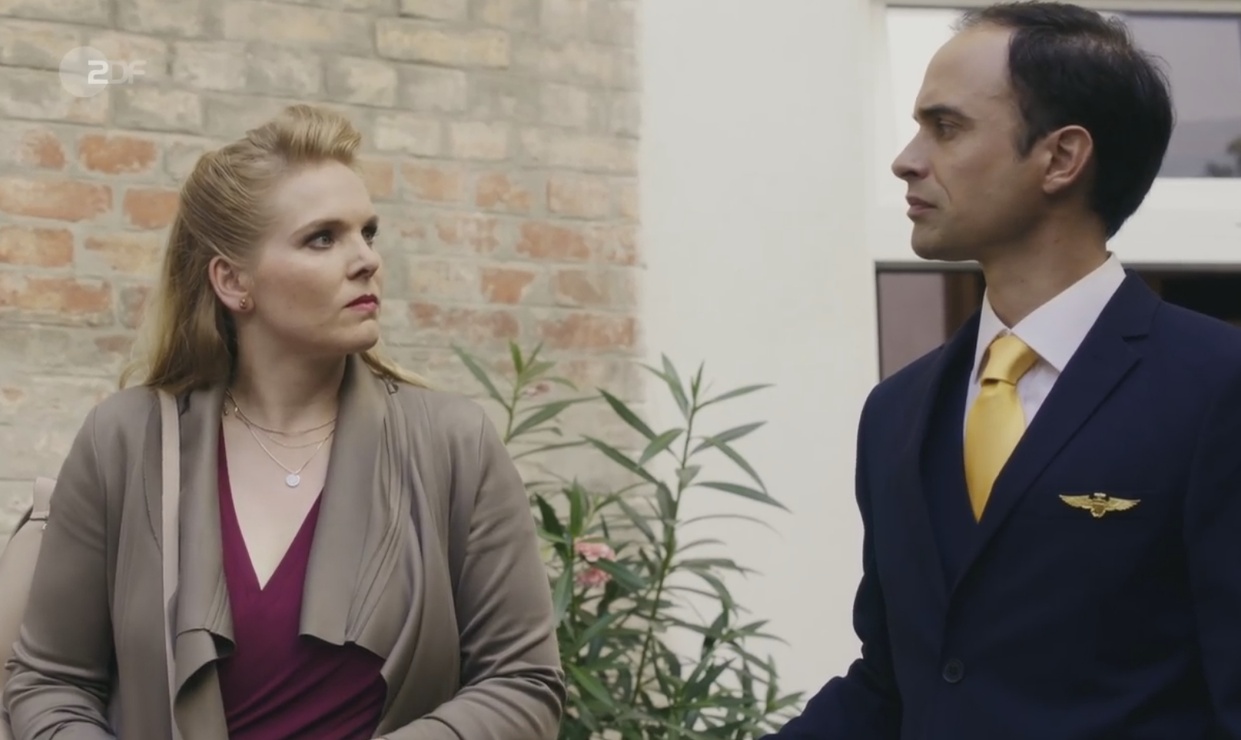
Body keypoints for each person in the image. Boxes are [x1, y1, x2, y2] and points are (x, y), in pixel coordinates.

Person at [3, 104, 565, 739]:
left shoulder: (454, 444)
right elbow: (50, 683)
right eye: (322, 238)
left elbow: (523, 683)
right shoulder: (125, 440)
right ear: (232, 281)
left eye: (368, 233)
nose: (366, 259)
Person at [767, 2, 1241, 738]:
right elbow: (892, 685)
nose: (906, 159)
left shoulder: (1217, 388)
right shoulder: (896, 411)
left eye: (945, 126)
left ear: (1060, 158)